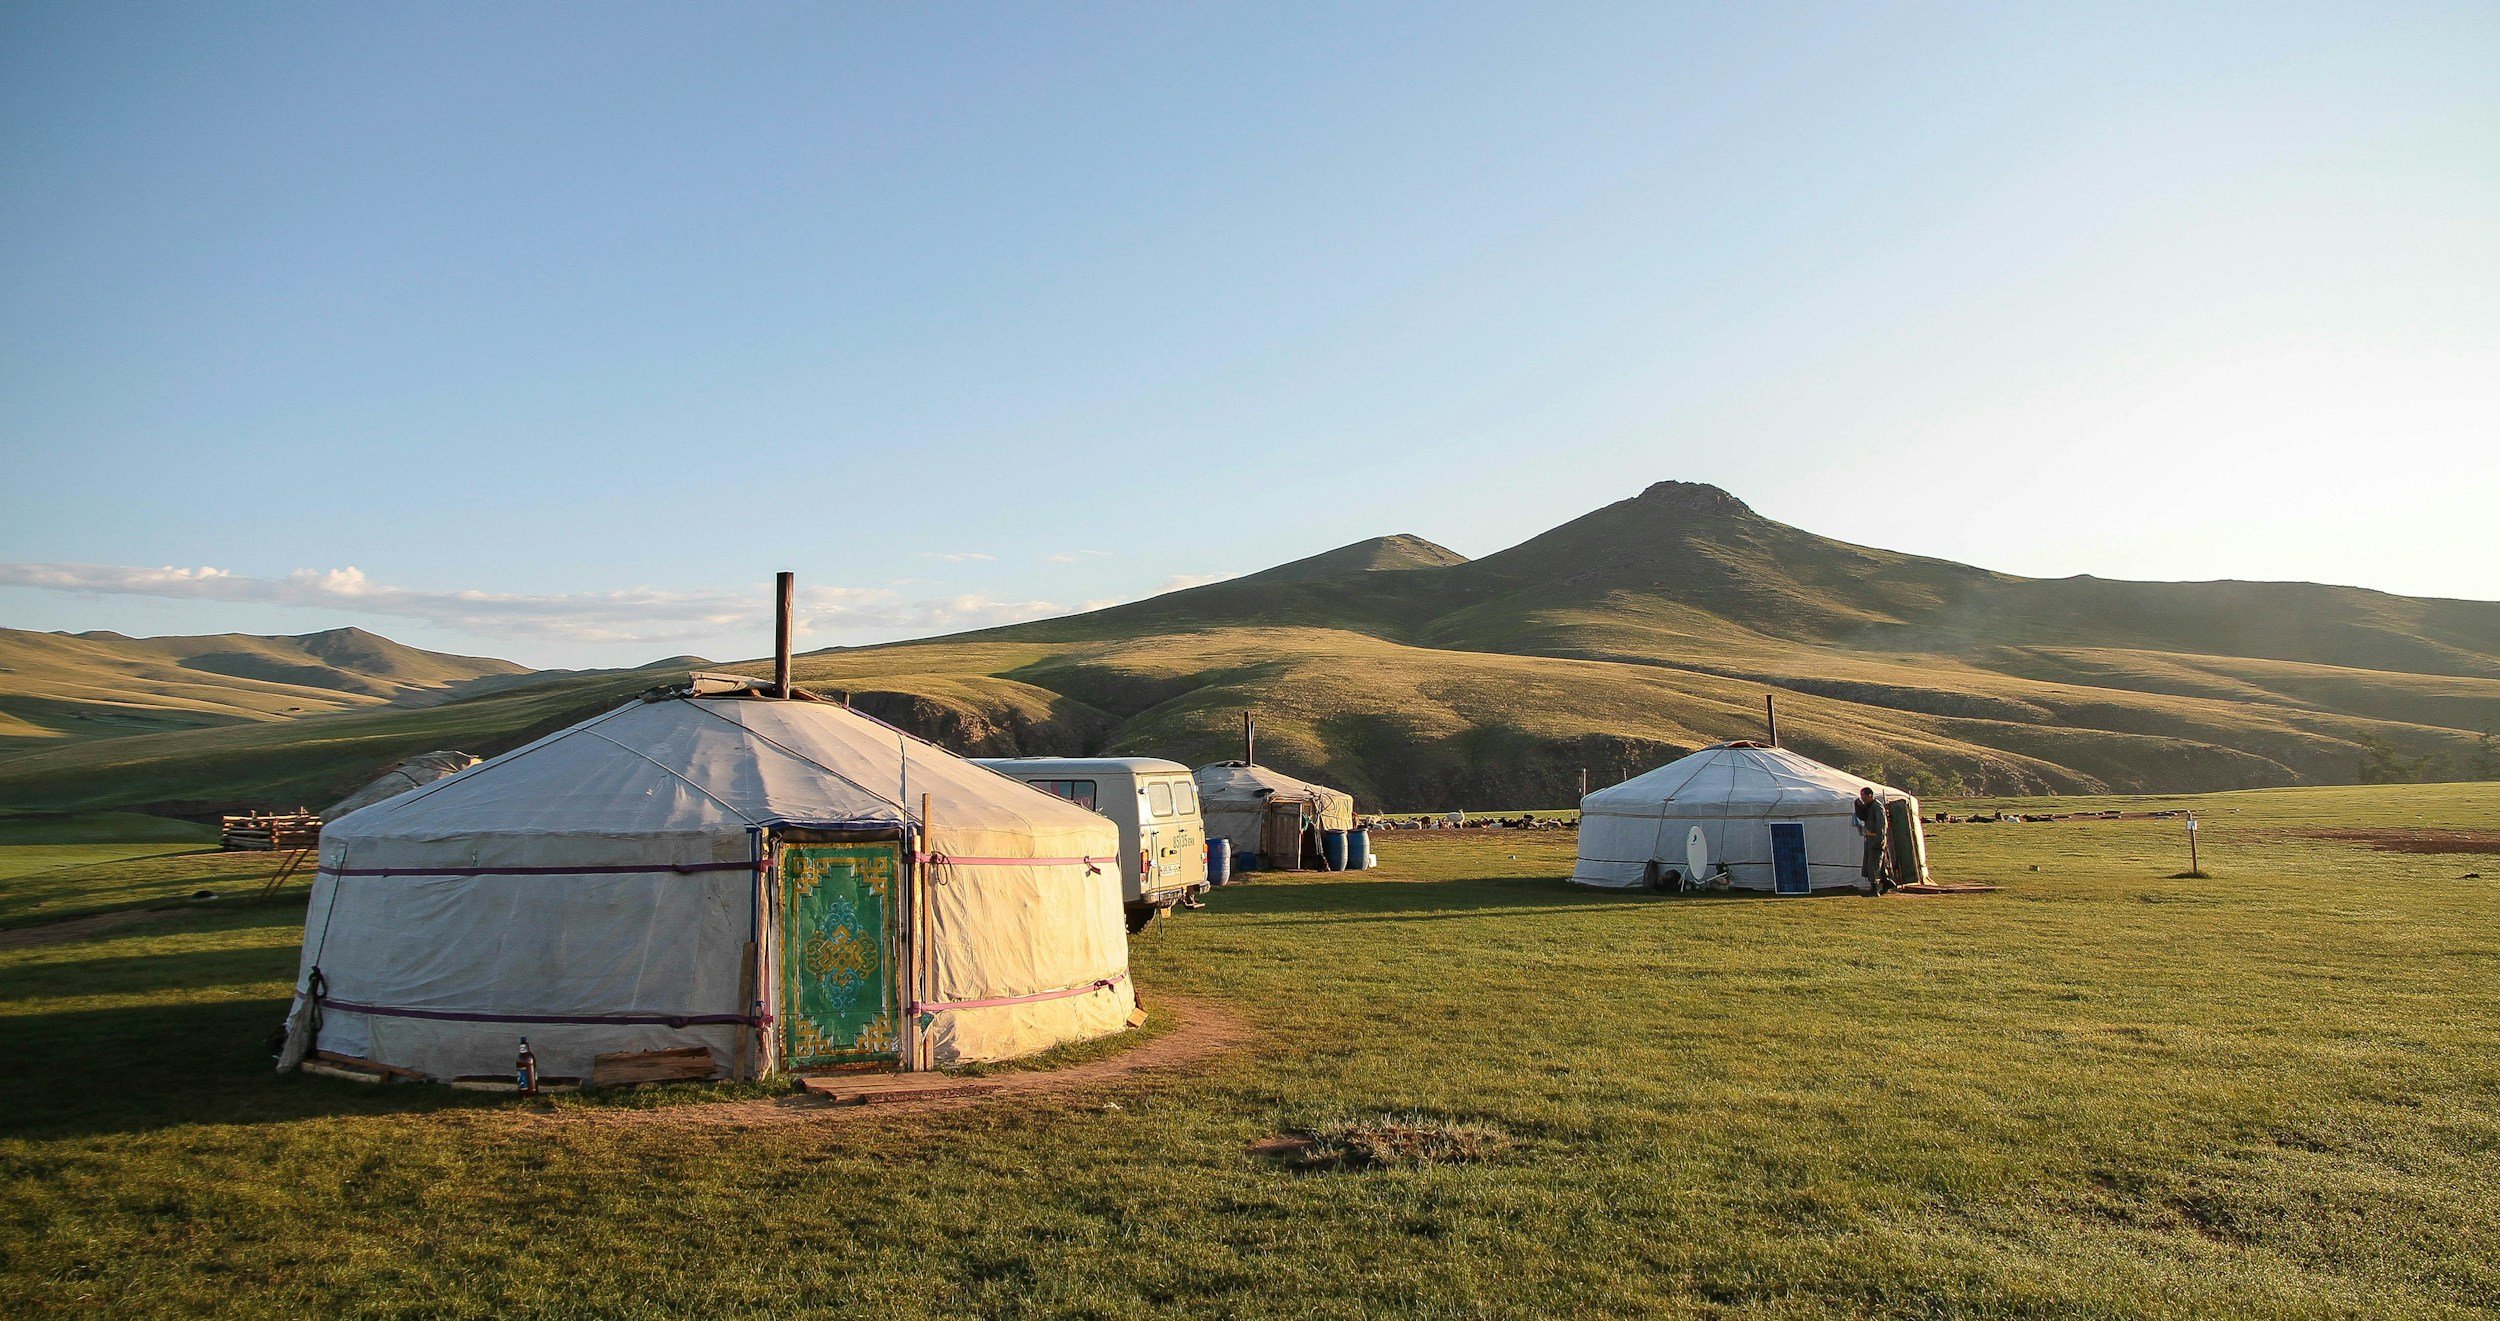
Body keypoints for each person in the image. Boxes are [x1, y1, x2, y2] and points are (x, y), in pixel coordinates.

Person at [1853, 787, 1890, 893]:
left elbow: (1881, 825)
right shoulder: (1870, 807)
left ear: (1870, 795)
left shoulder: (1877, 807)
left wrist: (1879, 839)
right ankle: (1887, 882)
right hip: (1870, 838)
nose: (1862, 798)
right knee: (1877, 863)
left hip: (1876, 839)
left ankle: (1874, 889)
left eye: (1863, 796)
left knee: (1873, 863)